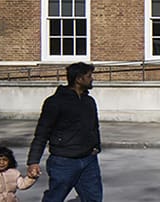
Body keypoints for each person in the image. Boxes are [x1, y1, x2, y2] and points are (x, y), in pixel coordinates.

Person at [27, 62, 103, 202]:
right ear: (79, 79)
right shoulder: (55, 102)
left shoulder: (89, 101)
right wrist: (33, 161)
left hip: (88, 160)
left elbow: (94, 127)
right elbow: (42, 132)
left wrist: (96, 147)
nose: (92, 79)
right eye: (89, 76)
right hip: (63, 161)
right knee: (55, 198)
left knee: (93, 198)